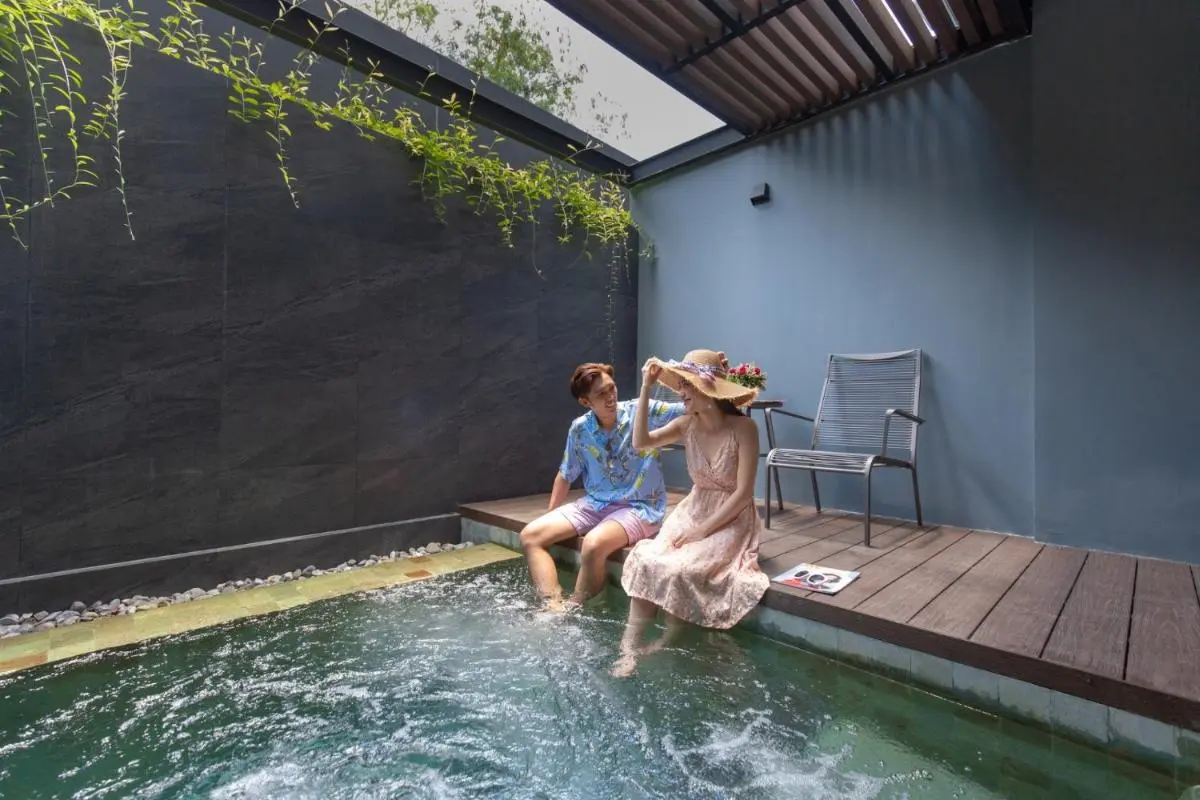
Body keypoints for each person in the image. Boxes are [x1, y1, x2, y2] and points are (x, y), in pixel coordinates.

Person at [611, 349, 770, 677]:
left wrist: (702, 532)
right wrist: (644, 388)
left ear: (708, 392)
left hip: (731, 515)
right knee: (647, 560)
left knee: (681, 568)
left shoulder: (745, 429)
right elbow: (641, 442)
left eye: (688, 385)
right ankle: (629, 648)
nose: (681, 391)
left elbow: (743, 494)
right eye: (681, 384)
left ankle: (670, 638)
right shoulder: (686, 425)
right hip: (693, 508)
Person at [519, 361, 688, 612]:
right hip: (596, 503)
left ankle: (575, 609)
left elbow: (689, 408)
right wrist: (551, 514)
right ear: (586, 402)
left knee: (593, 545)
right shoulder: (579, 429)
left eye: (611, 388)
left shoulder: (643, 412)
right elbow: (565, 474)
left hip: (640, 506)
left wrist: (714, 381)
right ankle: (552, 605)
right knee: (530, 535)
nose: (610, 396)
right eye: (601, 394)